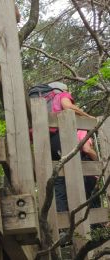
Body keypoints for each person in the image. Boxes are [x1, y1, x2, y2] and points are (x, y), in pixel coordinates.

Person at [46, 82, 99, 212]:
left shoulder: (45, 102)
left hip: (47, 142)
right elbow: (68, 107)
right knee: (79, 174)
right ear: (62, 89)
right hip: (61, 138)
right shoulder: (61, 95)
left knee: (58, 178)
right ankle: (93, 222)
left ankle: (62, 225)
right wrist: (90, 118)